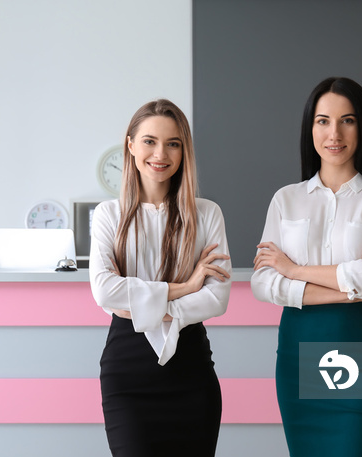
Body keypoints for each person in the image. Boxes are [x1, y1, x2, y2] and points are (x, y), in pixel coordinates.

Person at [251, 77, 362, 457]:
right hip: (298, 349)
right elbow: (263, 283)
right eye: (323, 121)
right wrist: (351, 287)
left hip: (360, 344)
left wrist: (295, 269)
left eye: (347, 120)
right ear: (310, 128)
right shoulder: (285, 199)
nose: (334, 133)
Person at [89, 99, 232, 456]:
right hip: (128, 372)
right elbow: (105, 292)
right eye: (150, 141)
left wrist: (140, 304)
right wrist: (185, 288)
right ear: (131, 145)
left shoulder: (206, 214)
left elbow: (217, 299)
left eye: (173, 143)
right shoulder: (109, 215)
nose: (160, 153)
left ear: (184, 151)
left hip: (191, 372)